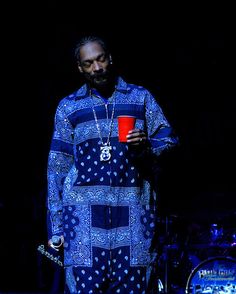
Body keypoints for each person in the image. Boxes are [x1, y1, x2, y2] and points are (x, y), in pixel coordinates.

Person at [46, 35, 179, 293]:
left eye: (101, 59)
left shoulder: (139, 98)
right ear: (80, 68)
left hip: (132, 215)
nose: (97, 68)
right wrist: (57, 225)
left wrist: (146, 146)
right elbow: (57, 168)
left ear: (110, 58)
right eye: (88, 63)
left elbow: (170, 139)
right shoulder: (69, 107)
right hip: (82, 221)